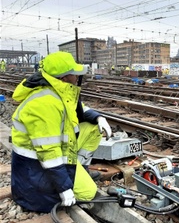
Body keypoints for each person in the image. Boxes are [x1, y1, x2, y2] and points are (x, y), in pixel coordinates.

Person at [11, 51, 112, 213]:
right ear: (63, 78)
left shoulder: (57, 89)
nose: (78, 77)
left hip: (47, 157)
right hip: (35, 170)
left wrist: (98, 117)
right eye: (74, 73)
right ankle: (70, 180)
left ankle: (78, 170)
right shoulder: (44, 104)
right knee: (88, 193)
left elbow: (76, 110)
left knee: (92, 127)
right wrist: (64, 189)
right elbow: (49, 153)